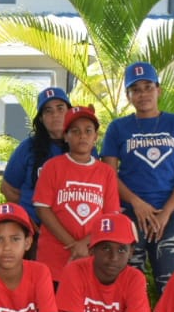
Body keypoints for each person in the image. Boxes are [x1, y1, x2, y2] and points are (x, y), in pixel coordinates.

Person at [100, 62, 174, 294]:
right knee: (126, 284)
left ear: (158, 90)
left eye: (148, 87)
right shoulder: (118, 128)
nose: (143, 94)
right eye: (135, 89)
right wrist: (136, 203)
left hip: (169, 213)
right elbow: (108, 174)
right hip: (129, 214)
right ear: (128, 96)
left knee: (171, 284)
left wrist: (166, 212)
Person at [33, 105, 120, 283]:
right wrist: (73, 245)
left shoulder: (106, 172)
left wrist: (85, 244)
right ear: (65, 136)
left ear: (95, 137)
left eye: (88, 131)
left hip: (93, 255)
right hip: (55, 256)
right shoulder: (52, 166)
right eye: (75, 131)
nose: (82, 136)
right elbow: (43, 209)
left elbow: (110, 216)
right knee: (54, 299)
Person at [0, 86, 71, 228]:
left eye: (60, 108)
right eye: (48, 111)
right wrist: (28, 219)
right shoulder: (27, 147)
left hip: (72, 227)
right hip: (35, 227)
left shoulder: (83, 147)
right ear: (41, 119)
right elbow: (7, 188)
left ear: (69, 112)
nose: (55, 115)